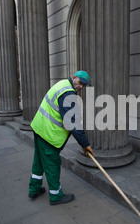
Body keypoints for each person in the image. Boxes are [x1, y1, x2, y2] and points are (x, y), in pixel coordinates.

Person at [29, 71, 94, 205]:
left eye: (84, 85)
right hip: (48, 134)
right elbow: (73, 122)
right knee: (52, 164)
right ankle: (56, 196)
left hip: (40, 128)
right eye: (80, 82)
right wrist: (85, 144)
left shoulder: (62, 84)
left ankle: (34, 189)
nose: (81, 86)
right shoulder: (68, 94)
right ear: (74, 77)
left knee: (39, 161)